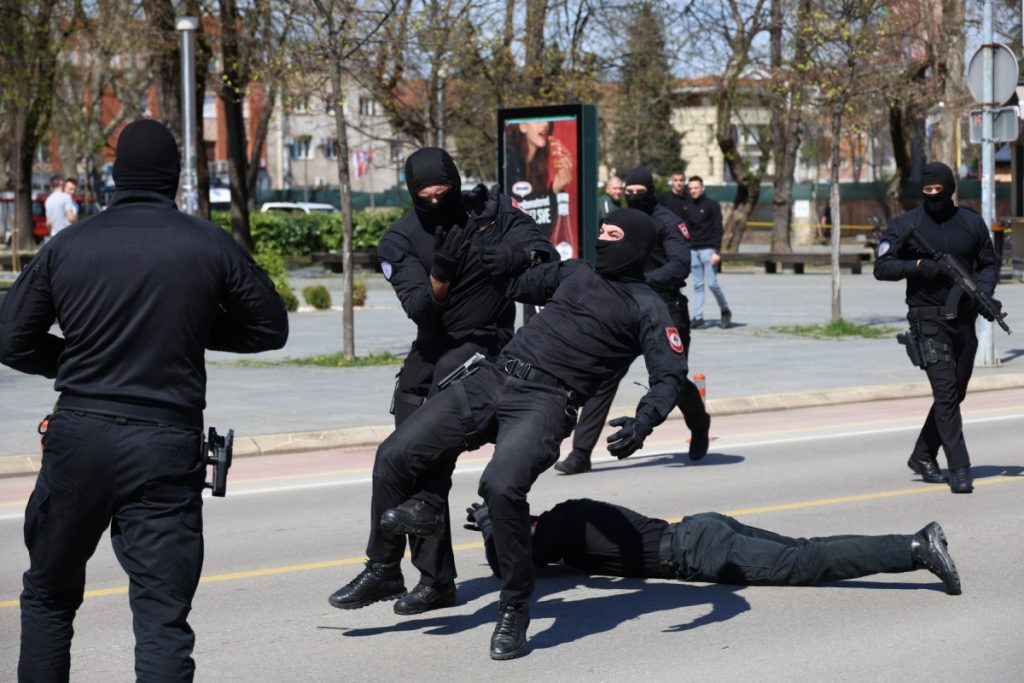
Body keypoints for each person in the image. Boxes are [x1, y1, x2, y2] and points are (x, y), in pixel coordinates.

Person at [328, 208, 688, 660]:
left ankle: (515, 606)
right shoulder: (576, 271)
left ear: (635, 245)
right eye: (599, 231)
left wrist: (643, 422)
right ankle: (384, 566)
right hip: (493, 377)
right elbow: (516, 285)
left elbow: (670, 375)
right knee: (395, 454)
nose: (601, 241)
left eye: (612, 234)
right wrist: (500, 259)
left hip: (547, 400)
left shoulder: (648, 306)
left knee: (501, 487)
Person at [0, 119, 289, 681]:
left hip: (79, 432)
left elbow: (10, 339)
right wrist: (181, 333)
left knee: (49, 597)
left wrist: (82, 362)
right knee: (161, 615)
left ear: (116, 176)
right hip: (164, 440)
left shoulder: (69, 243)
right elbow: (268, 328)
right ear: (173, 178)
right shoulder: (207, 242)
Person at [374, 147, 558, 615]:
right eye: (425, 197)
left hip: (489, 352)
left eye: (444, 193)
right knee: (408, 462)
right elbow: (418, 308)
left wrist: (512, 255)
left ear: (456, 183)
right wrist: (441, 275)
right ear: (412, 193)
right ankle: (433, 580)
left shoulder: (493, 213)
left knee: (431, 458)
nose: (436, 202)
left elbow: (546, 256)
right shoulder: (399, 238)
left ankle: (418, 575)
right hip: (430, 351)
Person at [464, 497, 961, 595]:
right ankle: (913, 541)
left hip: (696, 553)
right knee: (804, 550)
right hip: (700, 529)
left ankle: (916, 547)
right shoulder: (568, 516)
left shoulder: (560, 522)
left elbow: (511, 566)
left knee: (803, 564)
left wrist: (491, 529)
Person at [554, 166, 710, 475]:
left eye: (640, 193)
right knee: (603, 377)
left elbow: (680, 266)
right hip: (623, 309)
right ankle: (580, 453)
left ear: (651, 191)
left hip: (664, 307)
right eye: (629, 193)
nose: (634, 198)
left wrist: (645, 282)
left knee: (671, 380)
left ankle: (699, 423)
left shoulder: (668, 222)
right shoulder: (620, 221)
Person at [873, 161, 999, 494]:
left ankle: (923, 455)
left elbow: (988, 264)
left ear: (950, 190)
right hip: (927, 318)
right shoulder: (906, 224)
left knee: (954, 394)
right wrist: (917, 266)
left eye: (938, 191)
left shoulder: (971, 223)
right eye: (927, 191)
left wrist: (984, 294)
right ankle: (960, 467)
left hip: (964, 318)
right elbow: (882, 267)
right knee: (944, 394)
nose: (933, 197)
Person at [504, 120, 573, 240]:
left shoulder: (538, 167)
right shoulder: (508, 161)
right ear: (523, 126)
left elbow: (543, 225)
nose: (545, 125)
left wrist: (556, 190)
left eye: (548, 121)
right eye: (538, 121)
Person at [684, 176, 732, 329]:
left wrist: (717, 251)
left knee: (712, 283)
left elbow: (718, 228)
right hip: (694, 250)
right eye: (690, 188)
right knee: (697, 285)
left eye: (695, 188)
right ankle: (698, 317)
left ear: (702, 188)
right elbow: (686, 230)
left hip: (708, 250)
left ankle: (725, 310)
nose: (693, 191)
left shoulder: (712, 205)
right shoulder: (688, 206)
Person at [43, 174, 75, 239]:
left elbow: (48, 223)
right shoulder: (66, 197)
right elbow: (71, 218)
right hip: (66, 234)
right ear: (61, 183)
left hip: (54, 235)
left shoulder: (48, 200)